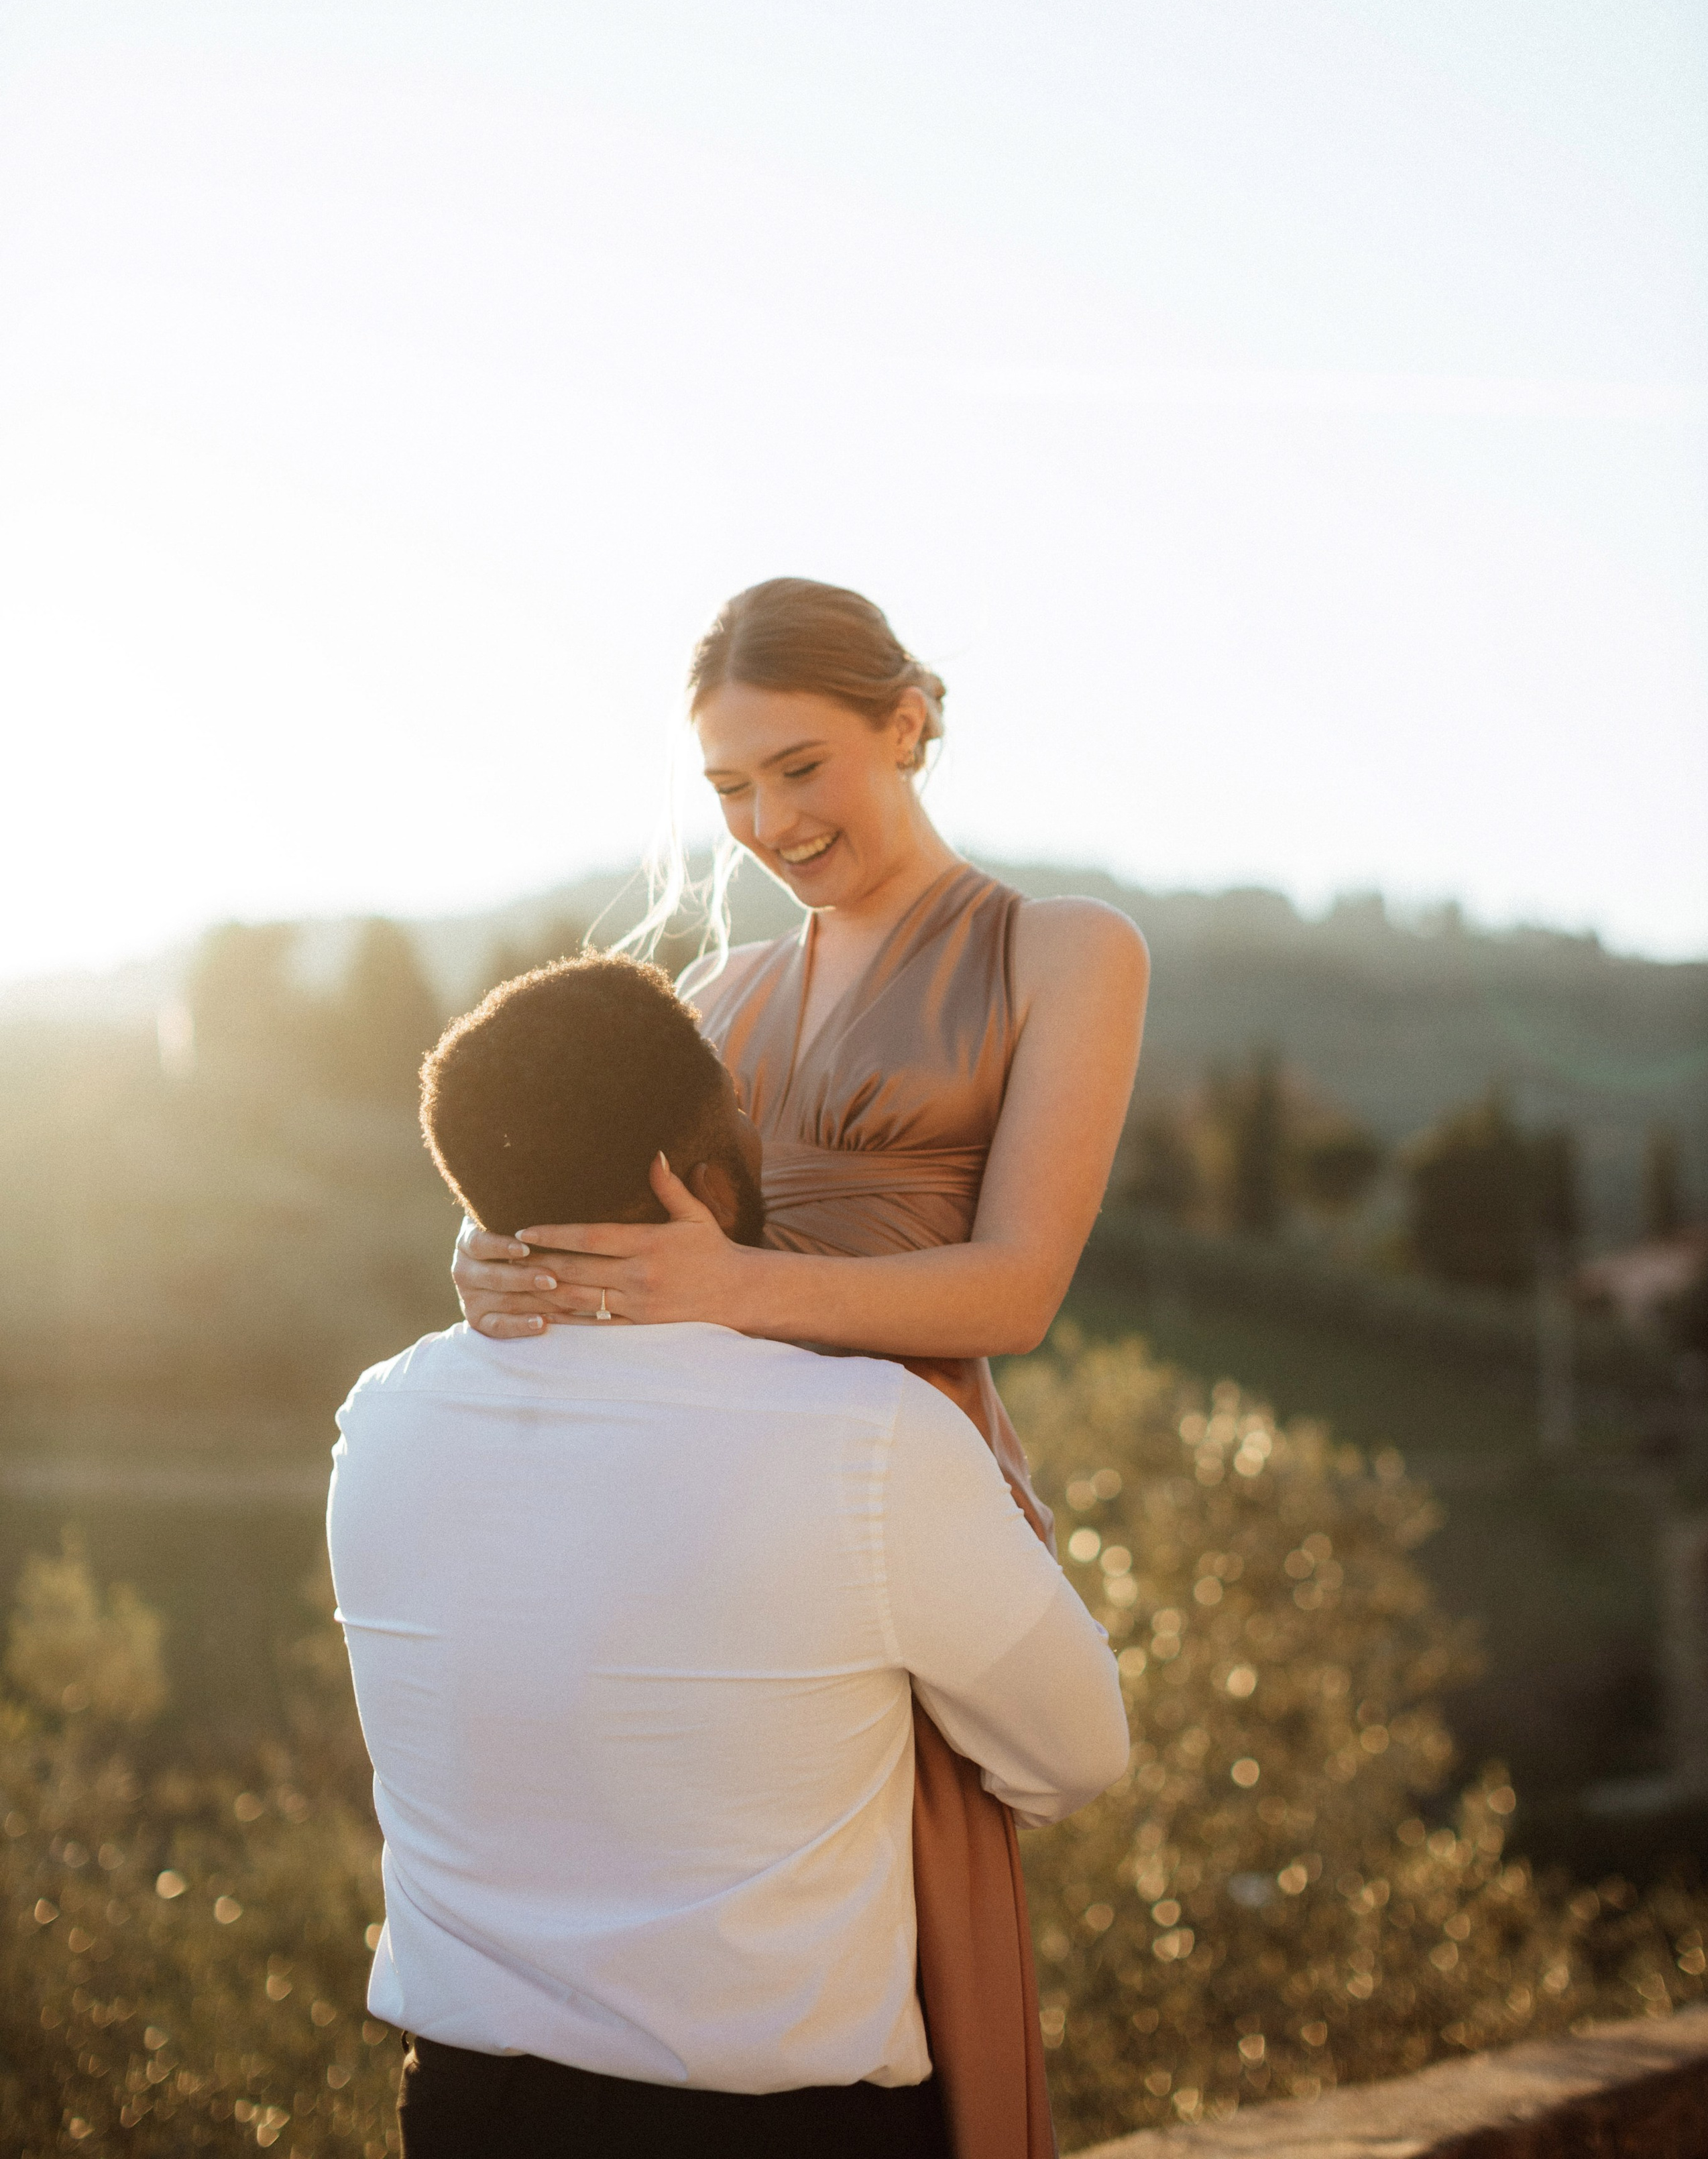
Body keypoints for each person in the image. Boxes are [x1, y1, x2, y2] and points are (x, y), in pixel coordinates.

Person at [454, 579, 1150, 2159]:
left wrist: (724, 1282)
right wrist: (492, 1257)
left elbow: (1018, 1290)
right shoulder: (721, 994)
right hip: (700, 1507)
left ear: (904, 723)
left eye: (797, 766)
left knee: (910, 1924)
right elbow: (608, 1231)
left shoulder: (1065, 949)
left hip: (898, 1485)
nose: (766, 820)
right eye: (727, 790)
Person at [329, 953, 1129, 2159]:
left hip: (465, 2114)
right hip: (779, 2135)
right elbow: (1077, 1758)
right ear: (695, 1181)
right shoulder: (870, 1442)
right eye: (741, 1114)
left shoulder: (376, 1421)